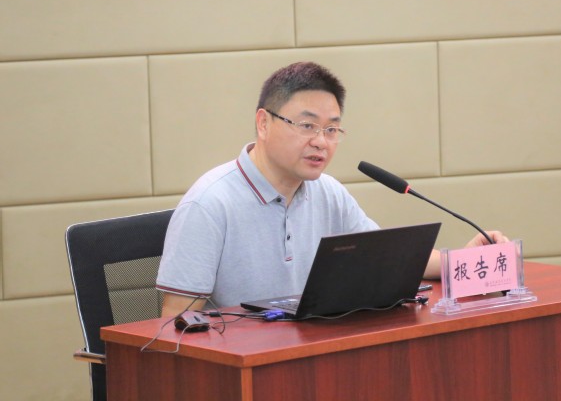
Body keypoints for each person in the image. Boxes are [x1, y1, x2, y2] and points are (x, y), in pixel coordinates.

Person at [156, 61, 507, 317]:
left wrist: (464, 261)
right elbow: (176, 328)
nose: (321, 142)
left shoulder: (328, 193)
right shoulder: (209, 204)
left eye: (332, 130)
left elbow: (389, 261)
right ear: (263, 123)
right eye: (307, 125)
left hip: (314, 355)